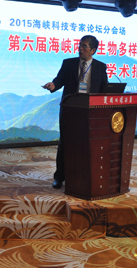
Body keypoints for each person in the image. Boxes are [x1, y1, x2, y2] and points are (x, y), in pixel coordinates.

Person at [42, 35, 108, 189]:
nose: (80, 49)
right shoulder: (69, 63)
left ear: (93, 50)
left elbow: (104, 87)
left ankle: (83, 176)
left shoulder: (100, 67)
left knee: (88, 144)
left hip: (91, 111)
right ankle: (59, 177)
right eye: (80, 45)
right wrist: (53, 85)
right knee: (65, 142)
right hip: (70, 109)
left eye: (84, 46)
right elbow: (60, 79)